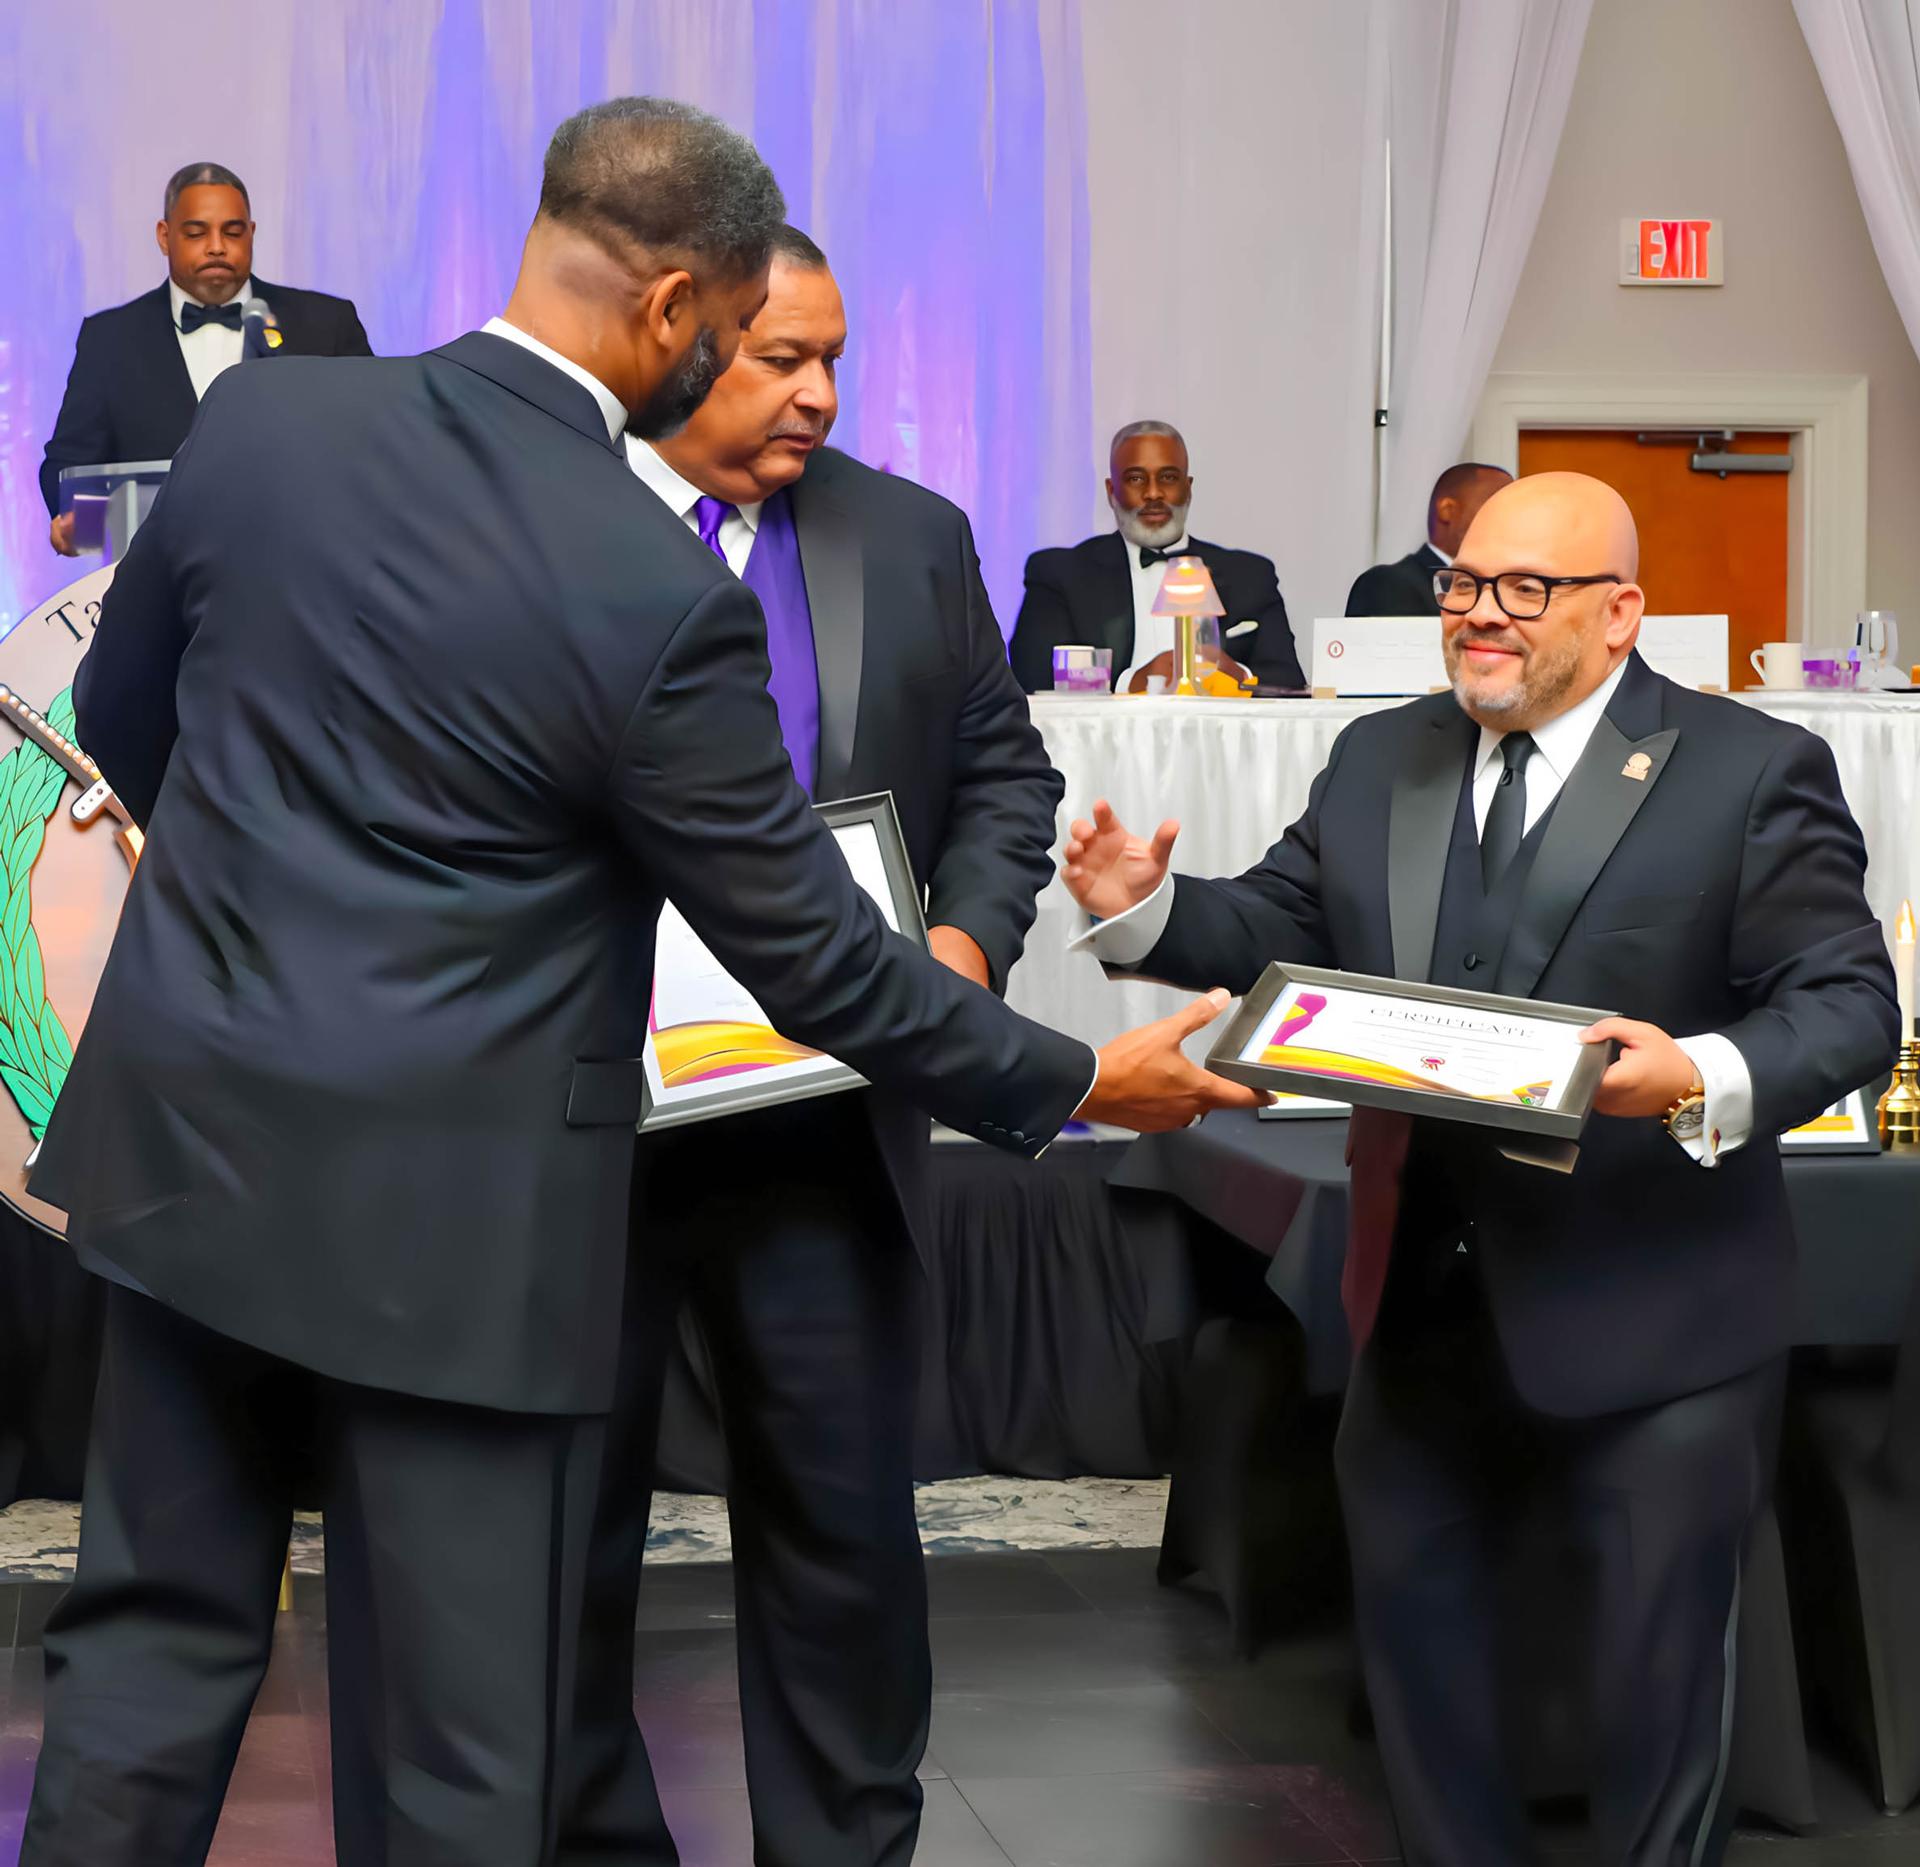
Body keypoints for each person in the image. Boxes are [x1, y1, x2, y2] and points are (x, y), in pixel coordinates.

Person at [18, 99, 1257, 1867]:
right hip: (464, 1213)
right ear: (675, 308)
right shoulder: (647, 583)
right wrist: (1073, 1077)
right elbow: (813, 956)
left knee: (141, 1661)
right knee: (457, 1745)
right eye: (746, 332)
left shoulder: (269, 420)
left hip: (193, 1140)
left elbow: (118, 725)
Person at [1062, 472, 1898, 1867]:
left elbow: (1850, 1005)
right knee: (1426, 1716)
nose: (1479, 615)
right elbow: (1279, 922)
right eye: (1463, 584)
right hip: (1417, 1329)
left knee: (1657, 1728)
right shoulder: (1379, 756)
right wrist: (1145, 909)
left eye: (1525, 589)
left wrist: (1695, 1072)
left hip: (1660, 1330)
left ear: (1620, 613)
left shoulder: (1748, 769)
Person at [554, 224, 1060, 1867]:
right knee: (559, 1546)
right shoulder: (543, 520)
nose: (822, 394)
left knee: (843, 1547)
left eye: (836, 358)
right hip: (583, 1128)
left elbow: (1005, 775)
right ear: (682, 335)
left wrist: (961, 952)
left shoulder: (911, 536)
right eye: (784, 357)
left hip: (829, 1129)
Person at [40, 161, 373, 556]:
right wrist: (85, 526)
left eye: (232, 232)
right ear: (165, 237)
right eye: (197, 233)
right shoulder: (110, 339)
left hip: (307, 569)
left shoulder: (327, 324)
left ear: (251, 234)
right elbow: (72, 462)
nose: (216, 246)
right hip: (163, 578)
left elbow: (373, 442)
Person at [1007, 420, 1305, 693]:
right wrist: (1131, 683)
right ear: (1111, 491)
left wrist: (1237, 674)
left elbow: (1289, 680)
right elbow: (1032, 676)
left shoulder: (1250, 575)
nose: (1153, 493)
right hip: (1106, 735)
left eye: (1168, 477)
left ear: (1188, 489)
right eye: (1136, 479)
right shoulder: (1061, 574)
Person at [1346, 460, 1512, 617]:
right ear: (1447, 510)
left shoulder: (1509, 588)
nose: (1511, 520)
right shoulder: (1389, 584)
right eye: (1496, 507)